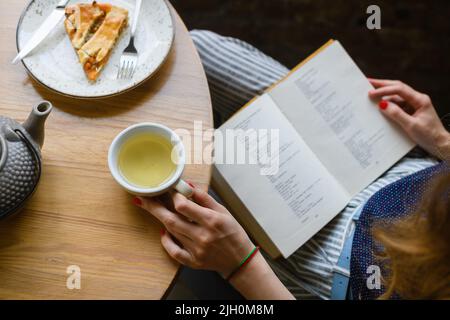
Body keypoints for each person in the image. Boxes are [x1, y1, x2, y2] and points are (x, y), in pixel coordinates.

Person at [132, 31, 450, 300]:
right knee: (192, 50)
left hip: (335, 261)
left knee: (159, 186)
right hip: (396, 165)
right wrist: (441, 141)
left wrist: (239, 265)